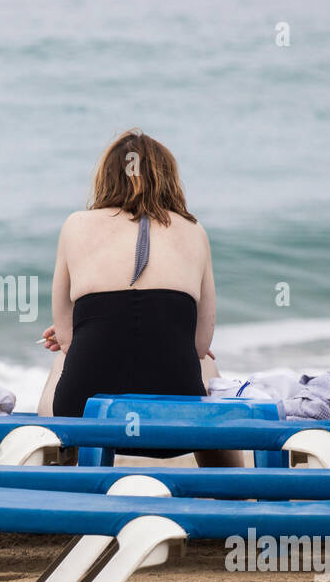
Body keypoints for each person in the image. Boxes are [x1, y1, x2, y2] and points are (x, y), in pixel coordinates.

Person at [37, 129, 240, 466]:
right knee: (208, 367)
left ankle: (65, 480)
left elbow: (67, 338)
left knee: (62, 360)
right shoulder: (193, 231)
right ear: (169, 179)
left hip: (85, 419)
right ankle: (234, 494)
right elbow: (201, 346)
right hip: (177, 426)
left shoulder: (75, 225)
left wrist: (84, 329)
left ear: (105, 178)